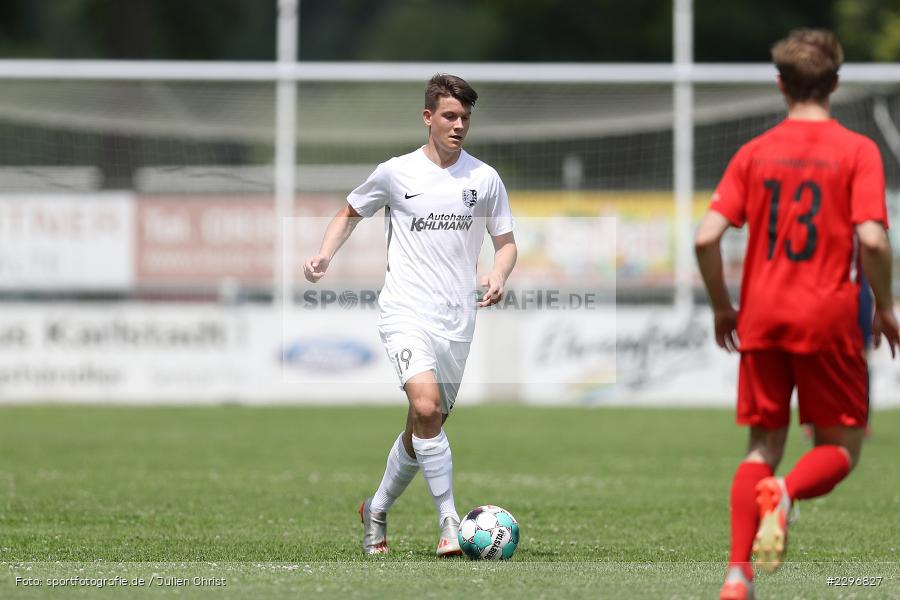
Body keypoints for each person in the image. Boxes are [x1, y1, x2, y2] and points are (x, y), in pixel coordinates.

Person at [694, 29, 900, 600]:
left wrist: (721, 308)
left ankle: (737, 577)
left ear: (780, 84)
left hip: (761, 317)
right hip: (829, 318)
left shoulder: (755, 152)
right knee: (841, 447)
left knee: (760, 447)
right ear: (835, 82)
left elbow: (707, 236)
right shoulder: (857, 151)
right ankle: (783, 494)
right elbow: (874, 241)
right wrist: (886, 305)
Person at [303, 74, 517, 557]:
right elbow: (349, 213)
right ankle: (450, 522)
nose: (459, 125)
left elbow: (505, 243)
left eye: (465, 118)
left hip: (457, 321)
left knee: (424, 425)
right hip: (405, 311)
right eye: (449, 116)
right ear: (428, 118)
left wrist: (499, 274)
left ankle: (375, 510)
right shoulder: (396, 172)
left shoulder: (484, 179)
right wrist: (324, 255)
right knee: (425, 408)